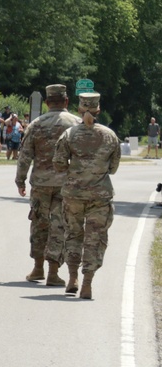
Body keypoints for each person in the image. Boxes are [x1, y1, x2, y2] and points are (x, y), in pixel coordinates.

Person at [52, 92, 121, 299]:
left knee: (73, 234)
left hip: (73, 194)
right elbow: (114, 168)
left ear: (79, 110)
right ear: (98, 110)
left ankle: (73, 277)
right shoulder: (110, 135)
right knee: (95, 238)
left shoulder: (69, 135)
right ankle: (87, 284)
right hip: (100, 196)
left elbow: (59, 164)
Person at [15, 84, 81, 285]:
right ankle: (53, 271)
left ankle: (38, 268)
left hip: (41, 183)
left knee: (39, 224)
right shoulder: (76, 124)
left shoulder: (36, 125)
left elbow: (25, 156)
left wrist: (20, 180)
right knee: (59, 225)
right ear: (67, 101)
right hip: (66, 184)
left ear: (46, 103)